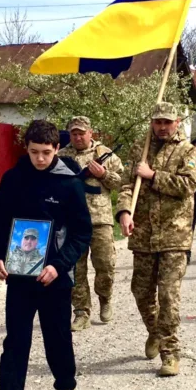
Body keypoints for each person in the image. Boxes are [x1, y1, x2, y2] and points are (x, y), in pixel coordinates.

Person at [0, 119, 93, 390]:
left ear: (57, 149)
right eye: (34, 152)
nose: (40, 159)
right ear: (27, 149)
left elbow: (81, 232)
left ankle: (66, 387)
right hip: (20, 276)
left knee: (57, 340)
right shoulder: (13, 179)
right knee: (15, 344)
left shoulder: (69, 183)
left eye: (46, 153)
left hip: (55, 279)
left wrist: (59, 265)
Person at [117, 102, 196, 377]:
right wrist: (125, 212)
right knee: (140, 292)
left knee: (168, 295)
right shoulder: (140, 148)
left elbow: (189, 185)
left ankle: (170, 353)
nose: (162, 127)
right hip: (143, 234)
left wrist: (153, 176)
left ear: (176, 122)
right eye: (157, 122)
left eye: (167, 122)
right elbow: (127, 185)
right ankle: (155, 332)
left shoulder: (186, 150)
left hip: (174, 235)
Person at [58, 116, 125, 332]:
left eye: (81, 133)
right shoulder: (61, 155)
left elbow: (121, 182)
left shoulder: (104, 154)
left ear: (90, 133)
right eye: (74, 133)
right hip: (72, 222)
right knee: (75, 269)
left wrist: (103, 174)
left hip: (100, 220)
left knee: (105, 265)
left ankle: (105, 298)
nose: (77, 137)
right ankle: (81, 312)